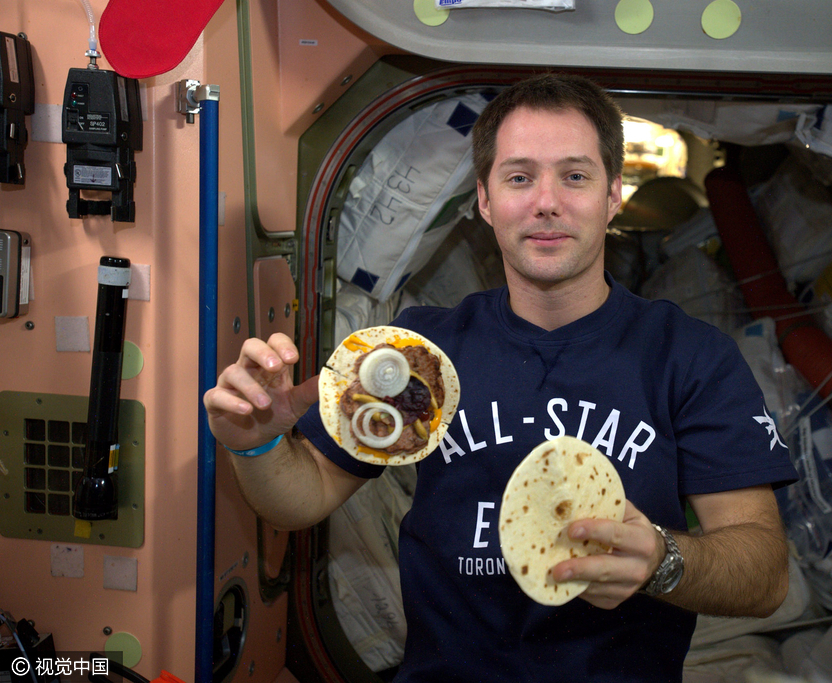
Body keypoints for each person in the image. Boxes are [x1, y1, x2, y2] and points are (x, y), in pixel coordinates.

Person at [204, 73, 797, 681]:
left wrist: (663, 561)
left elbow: (764, 573)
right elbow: (306, 496)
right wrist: (257, 444)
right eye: (519, 177)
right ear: (485, 201)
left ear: (613, 194)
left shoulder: (690, 357)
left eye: (574, 175)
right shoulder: (421, 353)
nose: (546, 201)